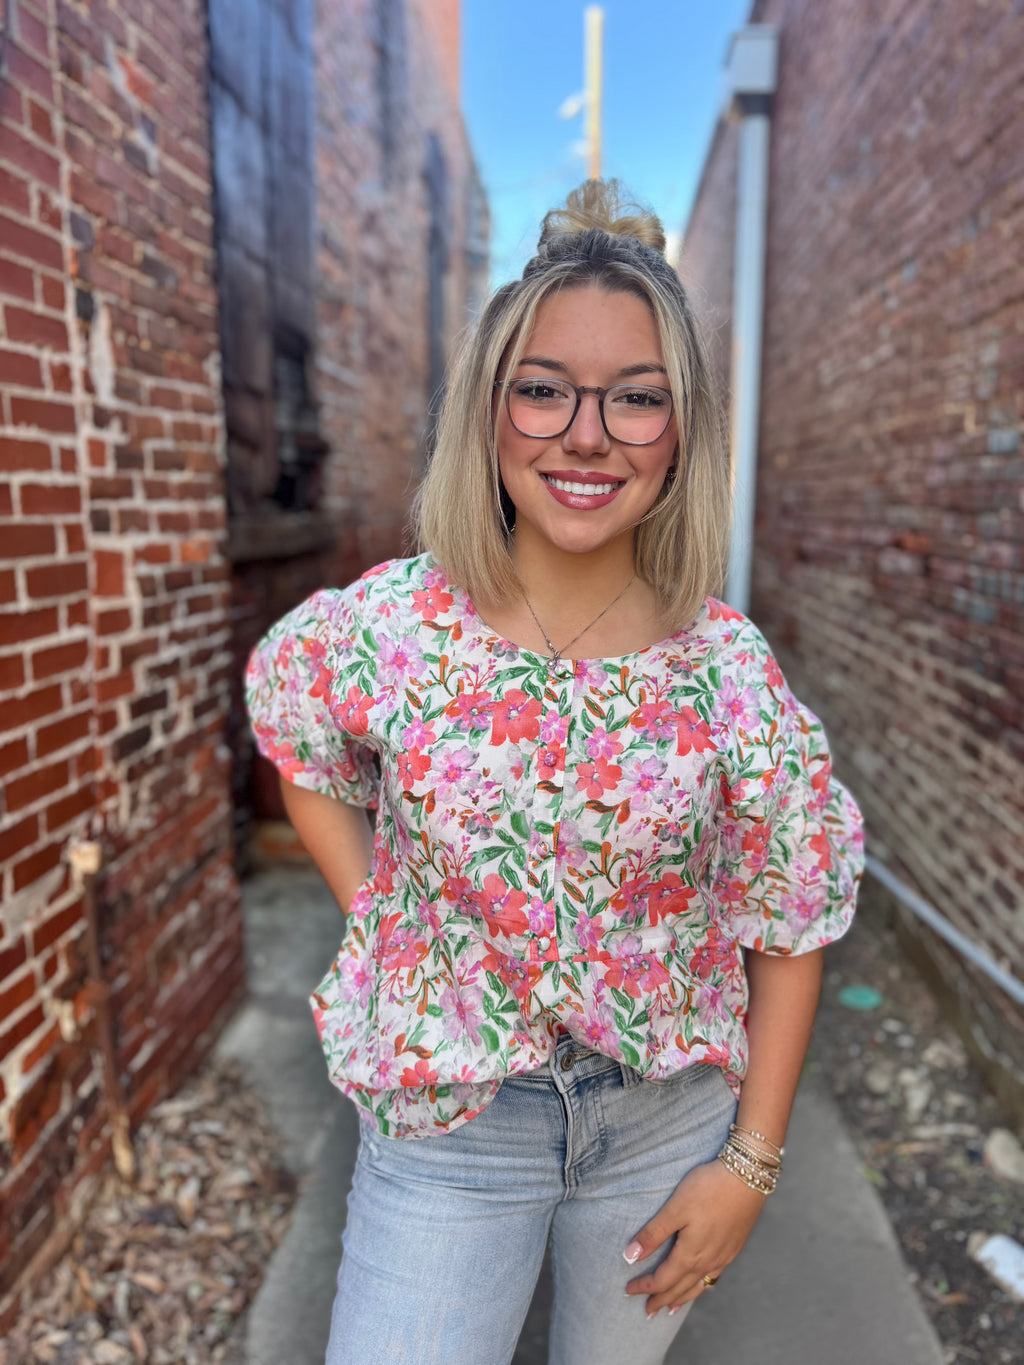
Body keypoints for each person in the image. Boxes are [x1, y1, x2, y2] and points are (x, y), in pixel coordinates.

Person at [245, 180, 864, 1365]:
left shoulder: (725, 669)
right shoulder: (393, 628)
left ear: (682, 432)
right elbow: (300, 734)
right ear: (489, 411)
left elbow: (791, 909)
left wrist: (749, 1161)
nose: (586, 434)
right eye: (543, 390)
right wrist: (383, 915)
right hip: (451, 1127)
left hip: (661, 1129)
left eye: (637, 399)